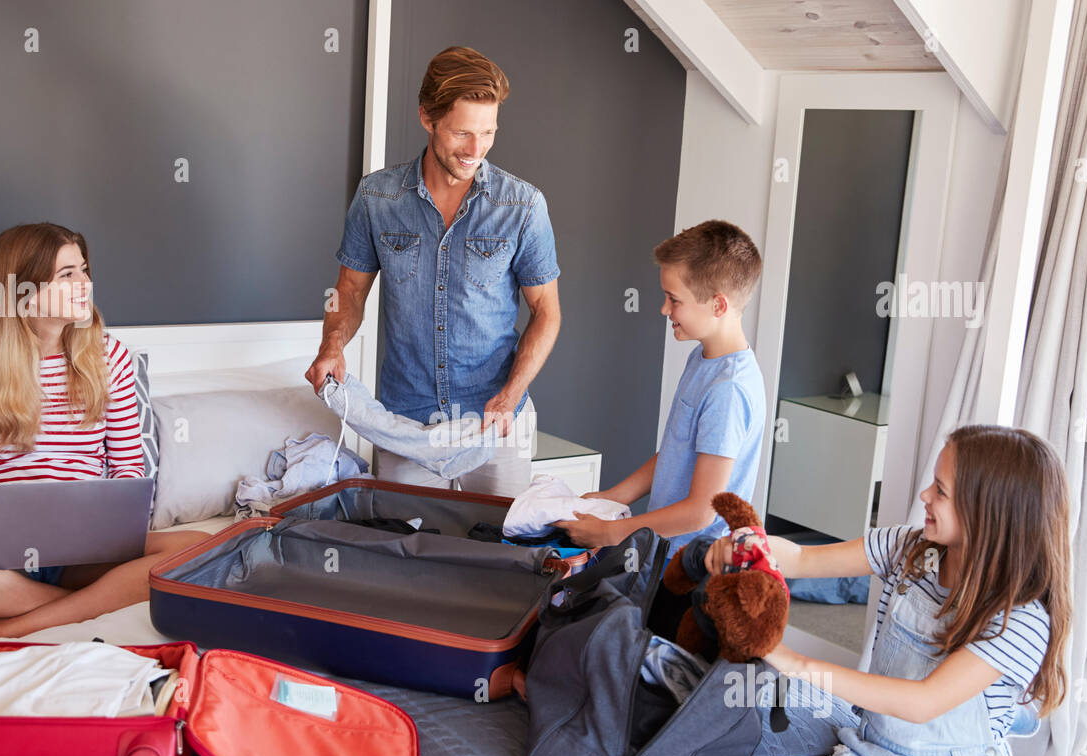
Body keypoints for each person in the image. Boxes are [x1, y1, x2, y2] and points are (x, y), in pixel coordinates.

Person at [712, 425, 1072, 756]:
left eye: (940, 490)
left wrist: (796, 662)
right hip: (879, 751)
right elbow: (803, 559)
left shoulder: (1020, 620)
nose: (924, 495)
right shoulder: (909, 548)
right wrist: (749, 546)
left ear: (987, 514)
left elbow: (922, 703)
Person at [0, 222, 209, 639]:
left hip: (90, 549)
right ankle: (94, 605)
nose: (85, 284)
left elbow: (131, 466)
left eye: (84, 269)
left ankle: (12, 624)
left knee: (203, 547)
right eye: (67, 275)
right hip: (0, 556)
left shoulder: (109, 357)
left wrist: (112, 522)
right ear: (21, 289)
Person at [305, 46, 561, 497]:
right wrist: (332, 345)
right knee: (405, 552)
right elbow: (348, 291)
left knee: (501, 559)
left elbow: (547, 313)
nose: (475, 150)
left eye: (488, 133)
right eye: (463, 133)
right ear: (428, 118)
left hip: (497, 421)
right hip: (405, 423)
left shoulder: (522, 206)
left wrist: (511, 394)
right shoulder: (377, 199)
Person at [555, 220, 764, 556]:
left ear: (718, 305)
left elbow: (700, 512)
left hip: (692, 566)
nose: (664, 309)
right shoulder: (703, 358)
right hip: (665, 551)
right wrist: (615, 496)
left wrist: (611, 533)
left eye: (674, 299)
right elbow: (676, 450)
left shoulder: (728, 389)